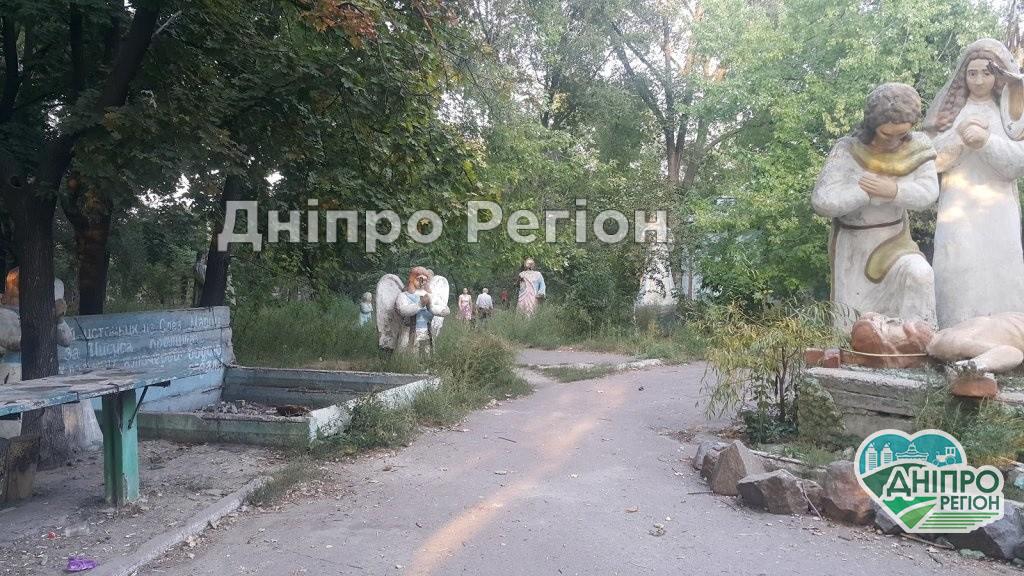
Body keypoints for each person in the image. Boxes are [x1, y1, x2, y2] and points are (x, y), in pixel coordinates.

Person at [811, 83, 939, 332]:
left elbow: (928, 193)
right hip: (854, 248)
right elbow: (823, 200)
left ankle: (917, 340)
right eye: (886, 134)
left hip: (895, 241)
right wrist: (864, 193)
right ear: (872, 126)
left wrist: (894, 191)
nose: (894, 141)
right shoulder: (848, 150)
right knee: (853, 322)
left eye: (901, 134)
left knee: (920, 274)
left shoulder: (919, 147)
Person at [925, 38, 1024, 328]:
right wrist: (959, 139)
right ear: (963, 76)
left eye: (986, 73)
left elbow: (1017, 163)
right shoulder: (951, 115)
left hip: (998, 207)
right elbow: (931, 161)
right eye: (972, 73)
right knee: (958, 266)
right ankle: (954, 331)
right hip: (957, 206)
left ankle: (1005, 332)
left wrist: (986, 142)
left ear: (998, 76)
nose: (979, 80)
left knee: (1001, 268)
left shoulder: (1009, 114)